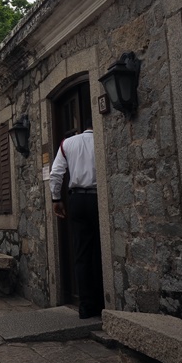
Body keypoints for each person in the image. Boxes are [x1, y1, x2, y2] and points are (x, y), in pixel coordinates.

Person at [49, 119, 104, 319]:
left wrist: (56, 199)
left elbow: (56, 173)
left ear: (83, 127)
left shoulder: (68, 143)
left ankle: (85, 306)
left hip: (77, 199)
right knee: (100, 249)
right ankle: (102, 301)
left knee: (81, 252)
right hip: (99, 197)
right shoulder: (103, 138)